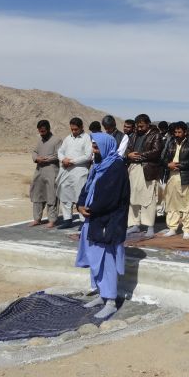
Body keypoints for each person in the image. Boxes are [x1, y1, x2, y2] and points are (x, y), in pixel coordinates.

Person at [75, 133, 129, 319]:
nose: (94, 150)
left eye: (96, 146)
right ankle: (101, 294)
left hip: (108, 221)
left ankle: (111, 301)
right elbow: (87, 187)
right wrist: (80, 205)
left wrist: (90, 208)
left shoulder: (116, 167)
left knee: (107, 261)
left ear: (106, 146)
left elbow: (110, 197)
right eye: (93, 146)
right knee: (95, 259)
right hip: (94, 219)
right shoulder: (98, 165)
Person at [125, 114, 163, 237]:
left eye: (142, 126)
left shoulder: (155, 135)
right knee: (133, 196)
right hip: (133, 168)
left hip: (147, 169)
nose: (139, 128)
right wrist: (128, 155)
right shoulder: (134, 135)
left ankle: (149, 226)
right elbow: (128, 149)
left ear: (148, 124)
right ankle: (134, 224)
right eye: (138, 126)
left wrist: (139, 156)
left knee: (148, 198)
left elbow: (156, 152)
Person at [161, 122, 189, 239]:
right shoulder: (170, 142)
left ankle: (187, 229)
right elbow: (163, 158)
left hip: (185, 176)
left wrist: (179, 165)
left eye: (179, 132)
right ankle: (172, 228)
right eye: (175, 132)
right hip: (171, 176)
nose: (177, 134)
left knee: (187, 204)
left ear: (185, 132)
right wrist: (168, 165)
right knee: (171, 203)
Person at [55, 118, 93, 230]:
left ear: (82, 127)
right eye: (72, 129)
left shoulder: (87, 138)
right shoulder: (68, 138)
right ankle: (67, 219)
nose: (74, 131)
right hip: (66, 170)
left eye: (76, 129)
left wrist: (72, 161)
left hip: (79, 171)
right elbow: (60, 151)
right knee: (64, 194)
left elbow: (88, 156)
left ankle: (83, 221)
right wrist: (63, 159)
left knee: (79, 196)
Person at [29, 120, 61, 227]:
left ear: (48, 129)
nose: (41, 133)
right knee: (37, 195)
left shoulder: (57, 140)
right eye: (40, 131)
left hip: (52, 172)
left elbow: (58, 154)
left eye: (43, 131)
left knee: (52, 196)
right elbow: (34, 152)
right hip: (39, 172)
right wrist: (36, 158)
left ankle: (52, 220)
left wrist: (45, 159)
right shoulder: (40, 141)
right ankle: (37, 219)